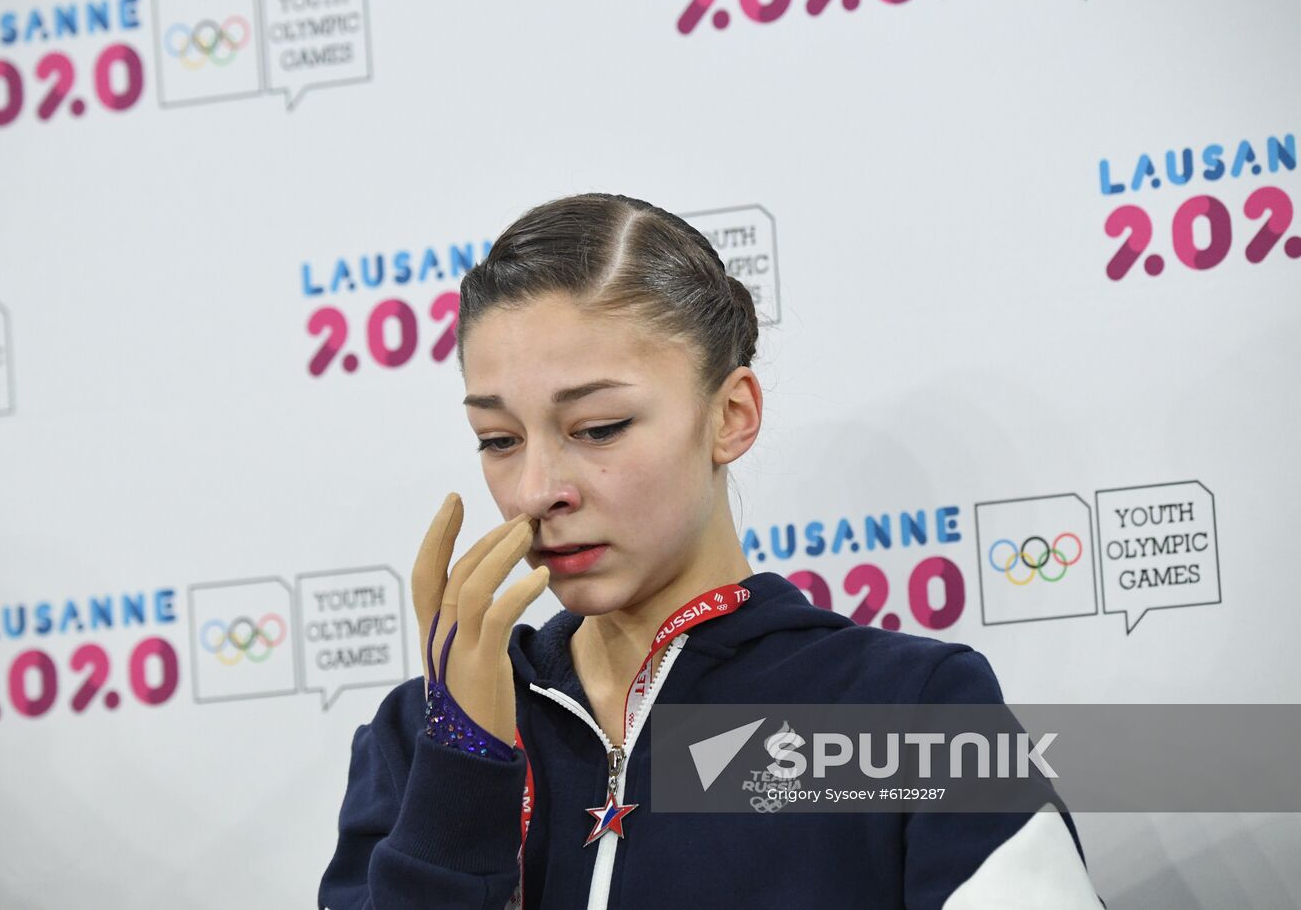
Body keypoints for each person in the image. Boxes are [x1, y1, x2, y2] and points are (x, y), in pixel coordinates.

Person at [318, 193, 1105, 909]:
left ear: (730, 414)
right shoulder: (415, 739)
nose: (534, 490)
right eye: (497, 439)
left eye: (598, 427)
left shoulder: (909, 709)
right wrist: (462, 766)